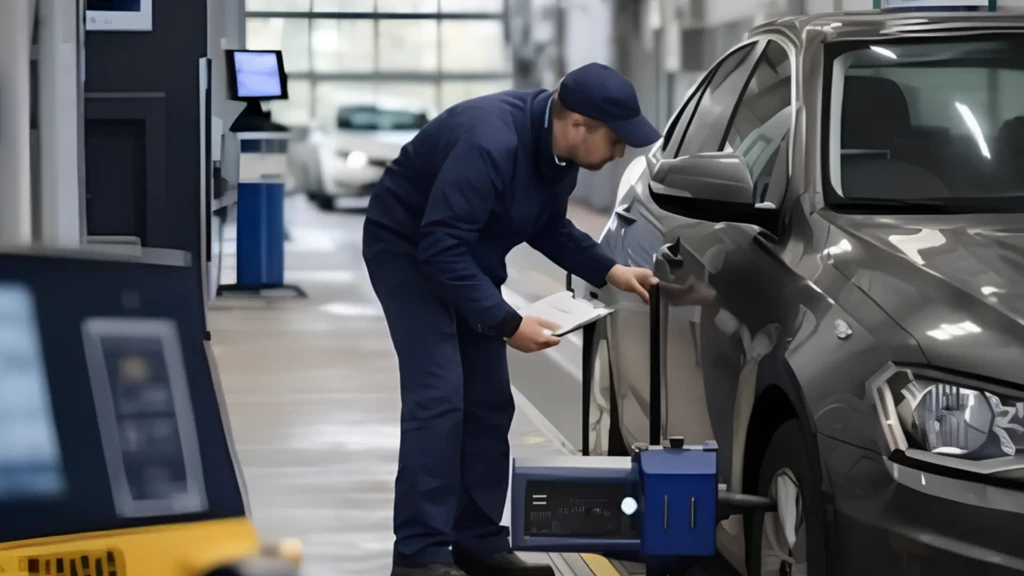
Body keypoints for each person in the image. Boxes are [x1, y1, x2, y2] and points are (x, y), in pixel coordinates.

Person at [362, 63, 661, 576]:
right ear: (580, 126)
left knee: (488, 402)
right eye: (616, 141)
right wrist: (506, 322)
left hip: (464, 257)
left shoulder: (557, 155)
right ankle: (419, 556)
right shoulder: (490, 142)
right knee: (439, 399)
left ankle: (477, 540)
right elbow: (438, 249)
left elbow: (547, 225)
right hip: (410, 254)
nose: (620, 154)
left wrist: (609, 269)